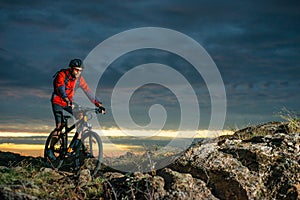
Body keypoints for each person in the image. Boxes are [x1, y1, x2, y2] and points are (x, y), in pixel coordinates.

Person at [48, 58, 105, 160]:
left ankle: (72, 148)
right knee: (59, 127)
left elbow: (88, 91)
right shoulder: (62, 75)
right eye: (76, 70)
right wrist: (66, 99)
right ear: (71, 69)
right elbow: (60, 88)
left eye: (80, 70)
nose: (78, 72)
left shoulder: (79, 80)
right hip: (58, 101)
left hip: (69, 103)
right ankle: (50, 149)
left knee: (81, 117)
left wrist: (98, 104)